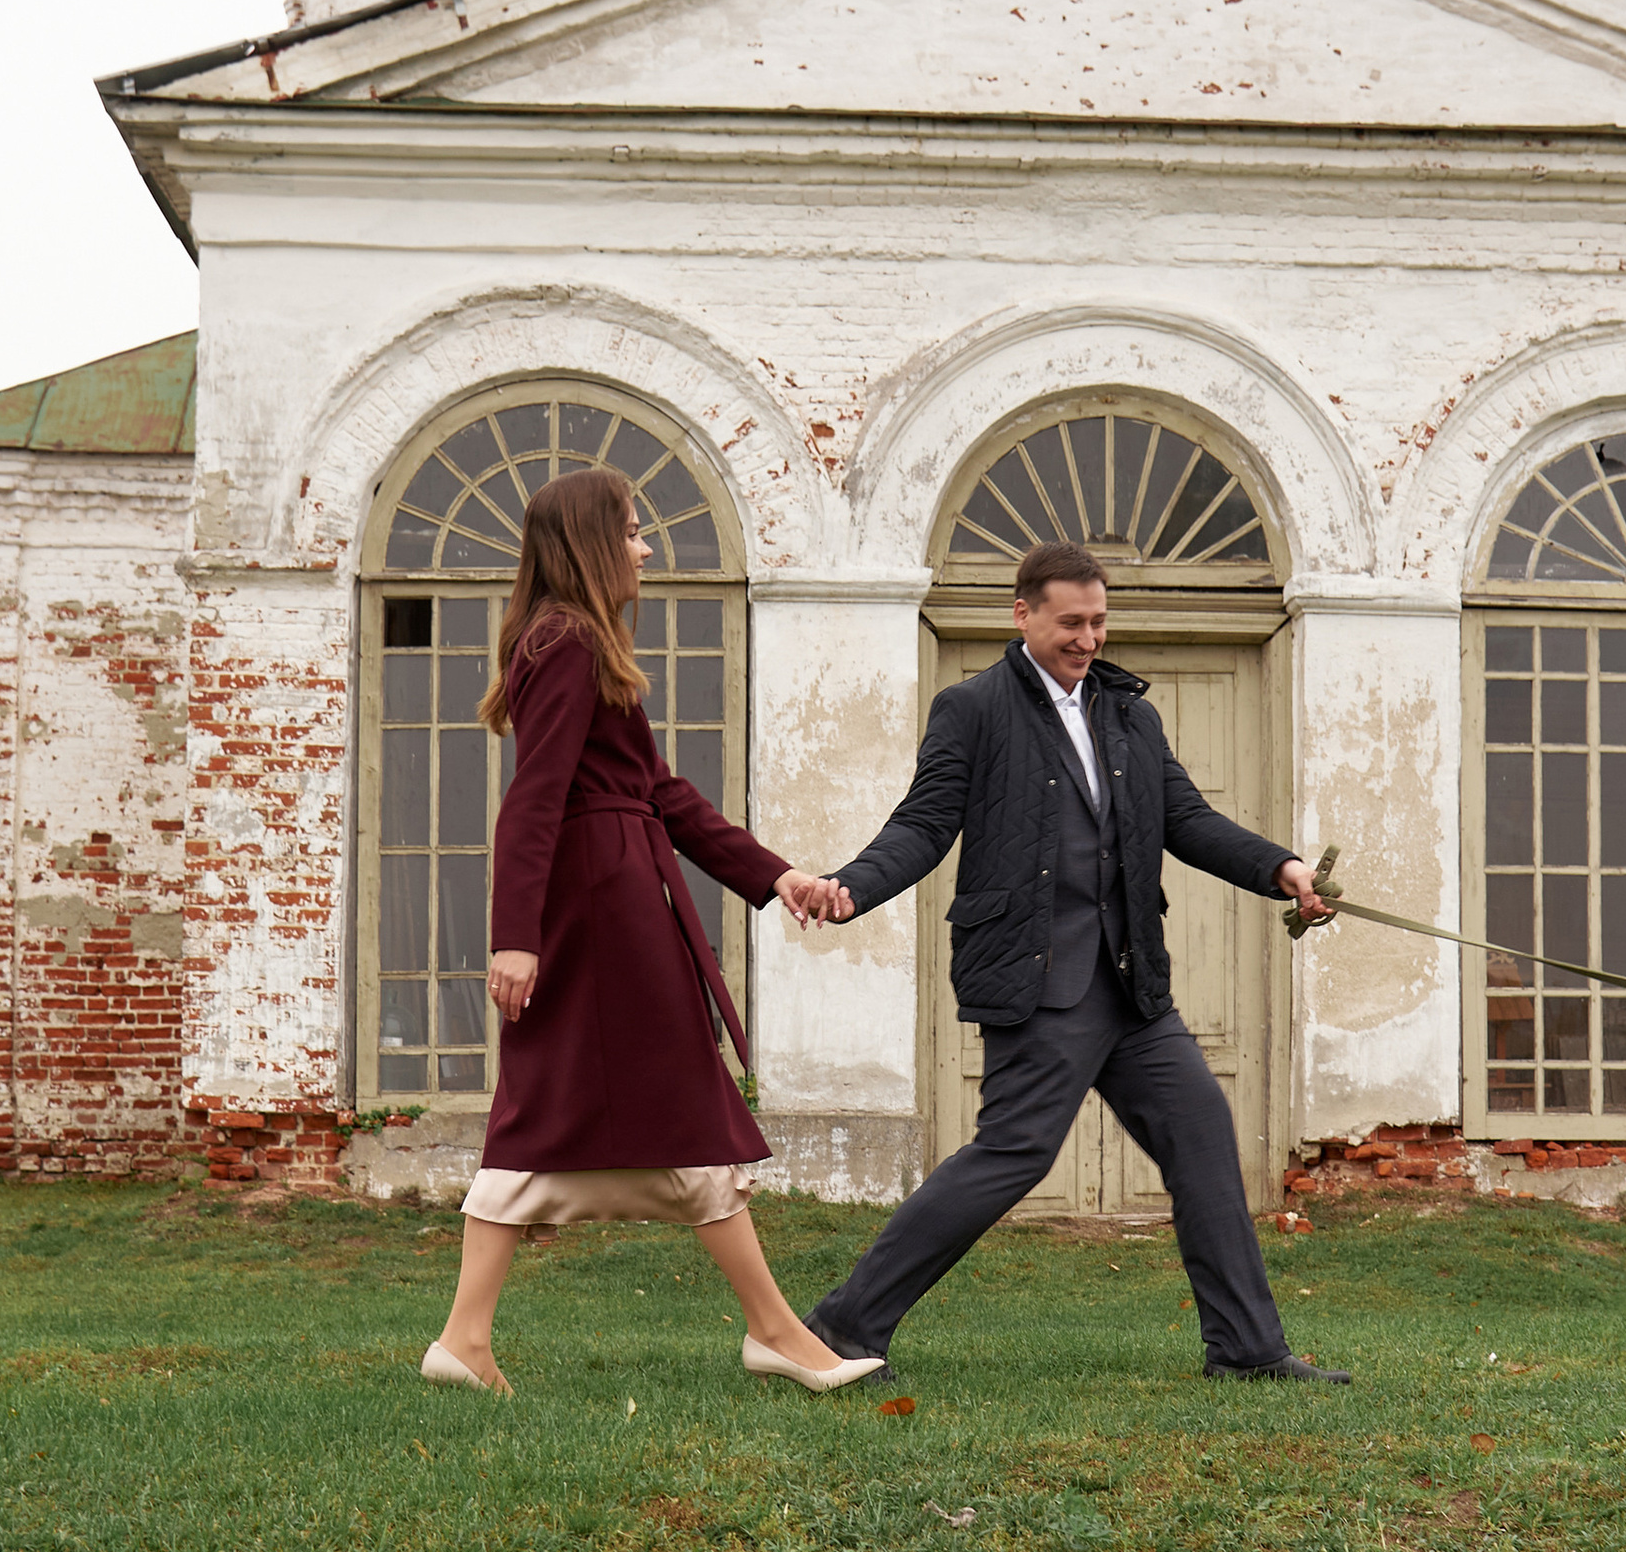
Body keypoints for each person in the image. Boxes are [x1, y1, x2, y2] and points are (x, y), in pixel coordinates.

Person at [799, 540, 1349, 1384]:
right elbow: (923, 825)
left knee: (1200, 1132)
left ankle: (1247, 1352)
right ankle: (841, 1326)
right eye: (1071, 623)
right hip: (1035, 977)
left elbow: (1187, 818)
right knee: (1014, 1154)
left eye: (1098, 621)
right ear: (1023, 615)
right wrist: (850, 887)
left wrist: (1282, 870)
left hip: (1132, 985)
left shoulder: (1129, 713)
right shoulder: (972, 708)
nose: (1088, 638)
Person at [420, 466, 882, 1398]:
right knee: (655, 1099)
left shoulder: (581, 641)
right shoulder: (569, 642)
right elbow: (534, 798)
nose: (646, 545)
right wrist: (516, 937)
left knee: (603, 1107)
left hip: (619, 894)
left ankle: (468, 1340)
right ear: (593, 543)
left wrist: (774, 873)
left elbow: (663, 794)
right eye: (632, 530)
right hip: (600, 909)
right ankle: (775, 1333)